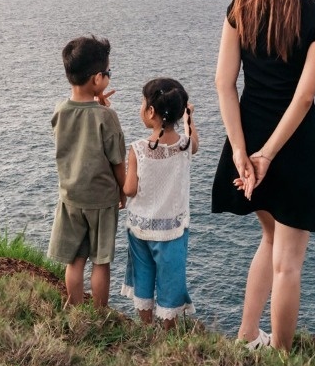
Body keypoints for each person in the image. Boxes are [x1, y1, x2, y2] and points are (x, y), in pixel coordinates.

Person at [212, 0, 315, 351]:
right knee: (289, 262)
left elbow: (224, 83)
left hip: (247, 136)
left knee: (269, 237)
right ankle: (282, 360)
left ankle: (247, 336)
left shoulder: (240, 6)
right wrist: (267, 155)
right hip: (295, 145)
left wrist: (240, 151)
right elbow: (302, 99)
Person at [48, 35, 126, 308]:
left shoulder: (60, 111)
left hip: (71, 197)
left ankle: (75, 308)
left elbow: (76, 136)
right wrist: (123, 192)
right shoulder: (106, 117)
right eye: (108, 73)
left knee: (75, 261)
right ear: (97, 79)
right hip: (102, 199)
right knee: (101, 262)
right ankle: (99, 313)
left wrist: (96, 104)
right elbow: (117, 160)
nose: (108, 78)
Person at [120, 78, 201, 328]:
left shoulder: (138, 149)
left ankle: (145, 326)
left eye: (143, 103)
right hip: (172, 230)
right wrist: (189, 119)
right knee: (170, 280)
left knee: (143, 277)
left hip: (140, 227)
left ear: (151, 111)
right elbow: (194, 143)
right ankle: (168, 329)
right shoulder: (185, 146)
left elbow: (130, 189)